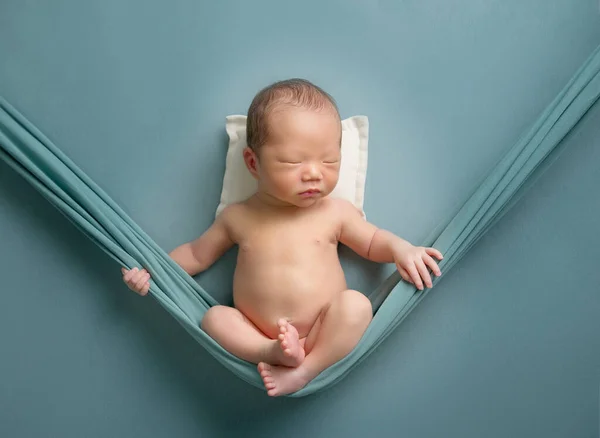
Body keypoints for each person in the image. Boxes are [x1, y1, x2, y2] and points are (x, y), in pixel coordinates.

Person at [122, 78, 443, 396]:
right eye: (293, 161)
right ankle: (270, 352)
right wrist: (153, 273)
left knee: (357, 306)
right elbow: (195, 255)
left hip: (322, 332)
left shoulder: (335, 212)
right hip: (257, 334)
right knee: (214, 319)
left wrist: (402, 248)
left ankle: (306, 368)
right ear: (253, 163)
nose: (314, 173)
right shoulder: (239, 216)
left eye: (329, 161)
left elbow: (373, 242)